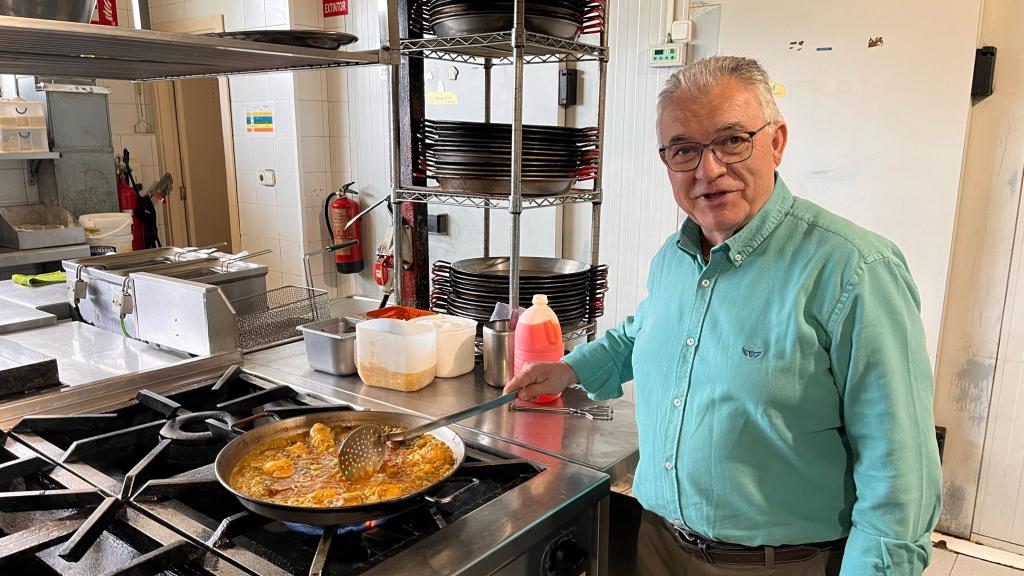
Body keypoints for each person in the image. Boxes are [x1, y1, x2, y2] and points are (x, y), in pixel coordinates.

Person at [503, 55, 942, 576]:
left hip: (780, 564)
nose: (708, 171)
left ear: (776, 142)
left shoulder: (854, 269)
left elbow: (901, 472)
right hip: (659, 544)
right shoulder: (676, 255)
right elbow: (644, 329)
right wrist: (571, 367)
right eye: (684, 150)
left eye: (732, 141)